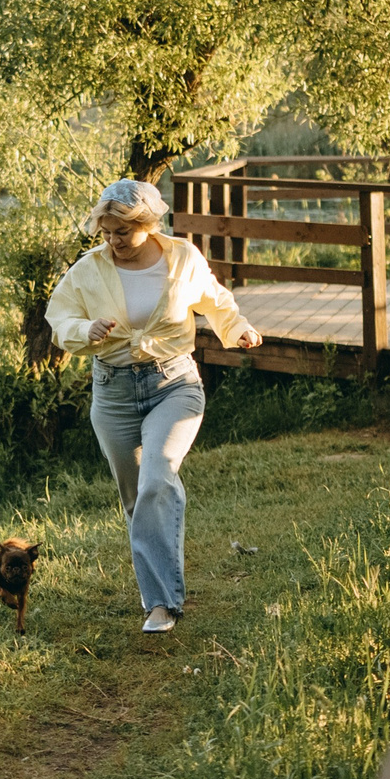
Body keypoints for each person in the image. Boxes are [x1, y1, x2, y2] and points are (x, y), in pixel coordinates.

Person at [44, 179, 261, 633]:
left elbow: (215, 300)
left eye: (122, 231)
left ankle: (162, 605)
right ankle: (158, 590)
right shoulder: (88, 269)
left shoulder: (182, 258)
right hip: (113, 394)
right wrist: (85, 330)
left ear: (147, 223)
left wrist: (237, 328)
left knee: (157, 478)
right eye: (106, 232)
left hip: (173, 384)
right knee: (135, 498)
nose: (113, 241)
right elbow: (59, 316)